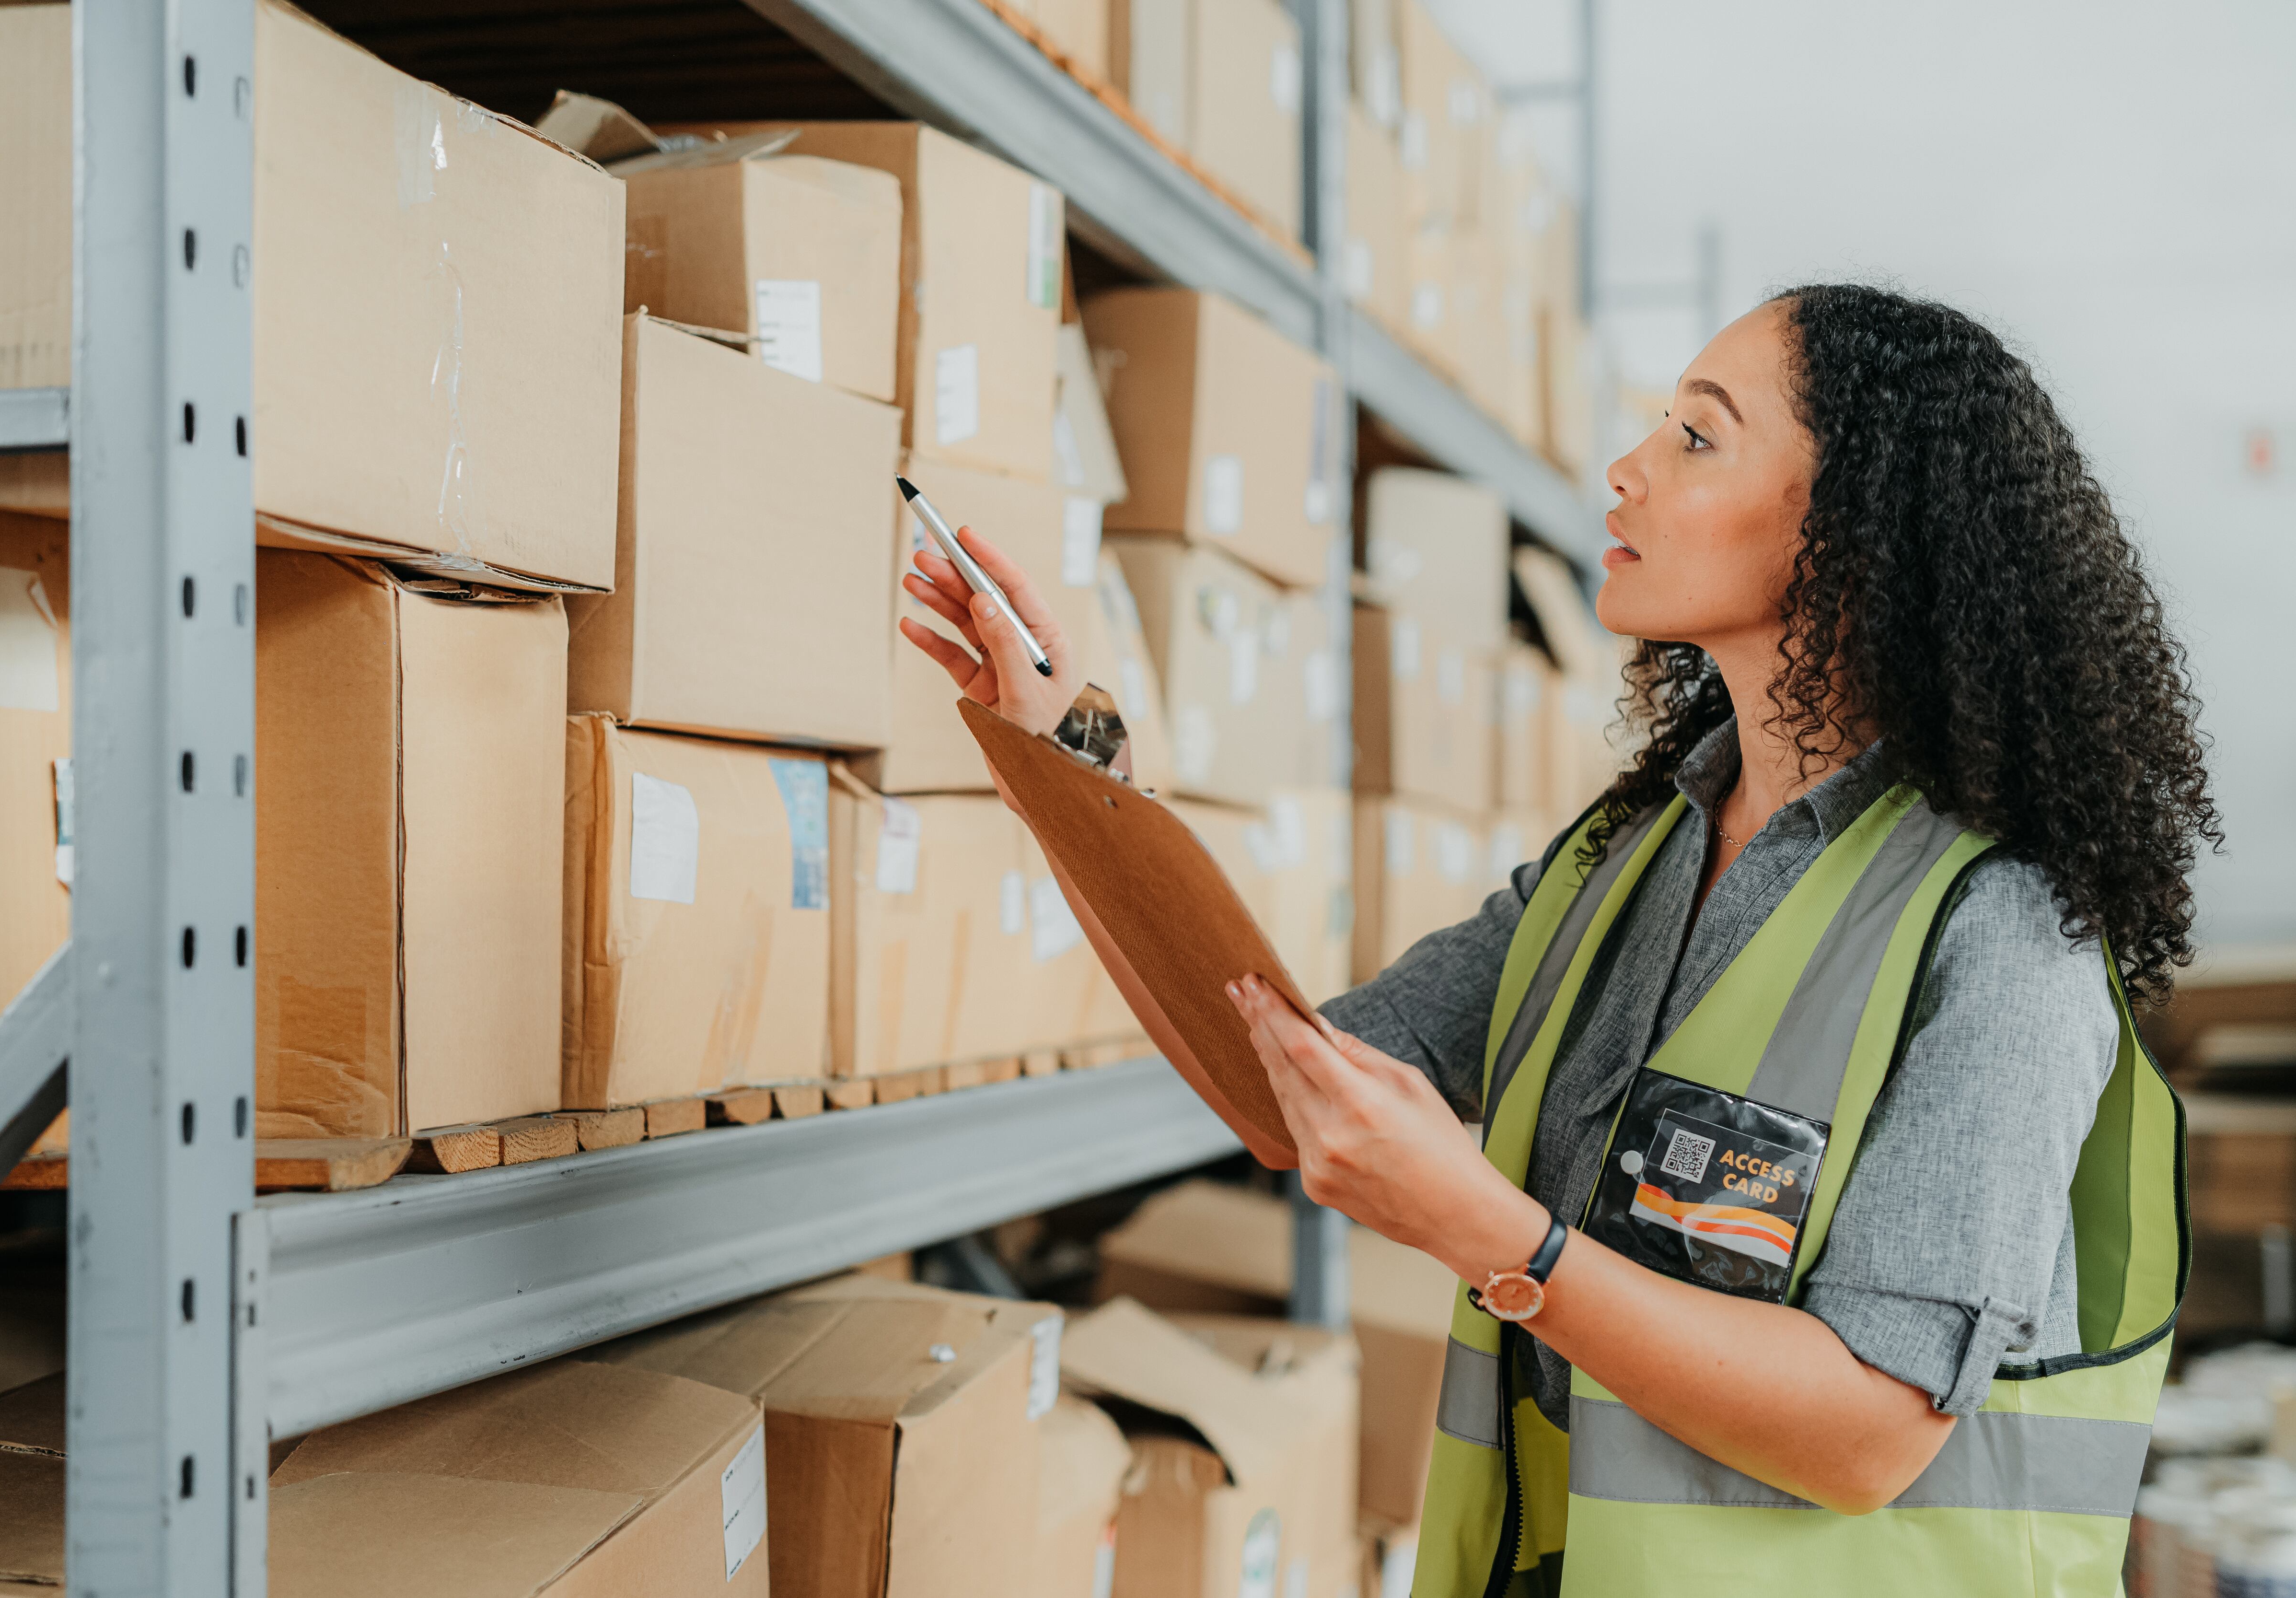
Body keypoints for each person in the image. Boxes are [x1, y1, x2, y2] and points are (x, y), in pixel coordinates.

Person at [901, 283, 2208, 1596]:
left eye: (1696, 437)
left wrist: (1498, 1240)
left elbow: (1872, 1432)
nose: (1627, 471)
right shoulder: (1618, 863)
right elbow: (1283, 1085)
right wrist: (1067, 771)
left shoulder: (2001, 923)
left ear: (1857, 537)